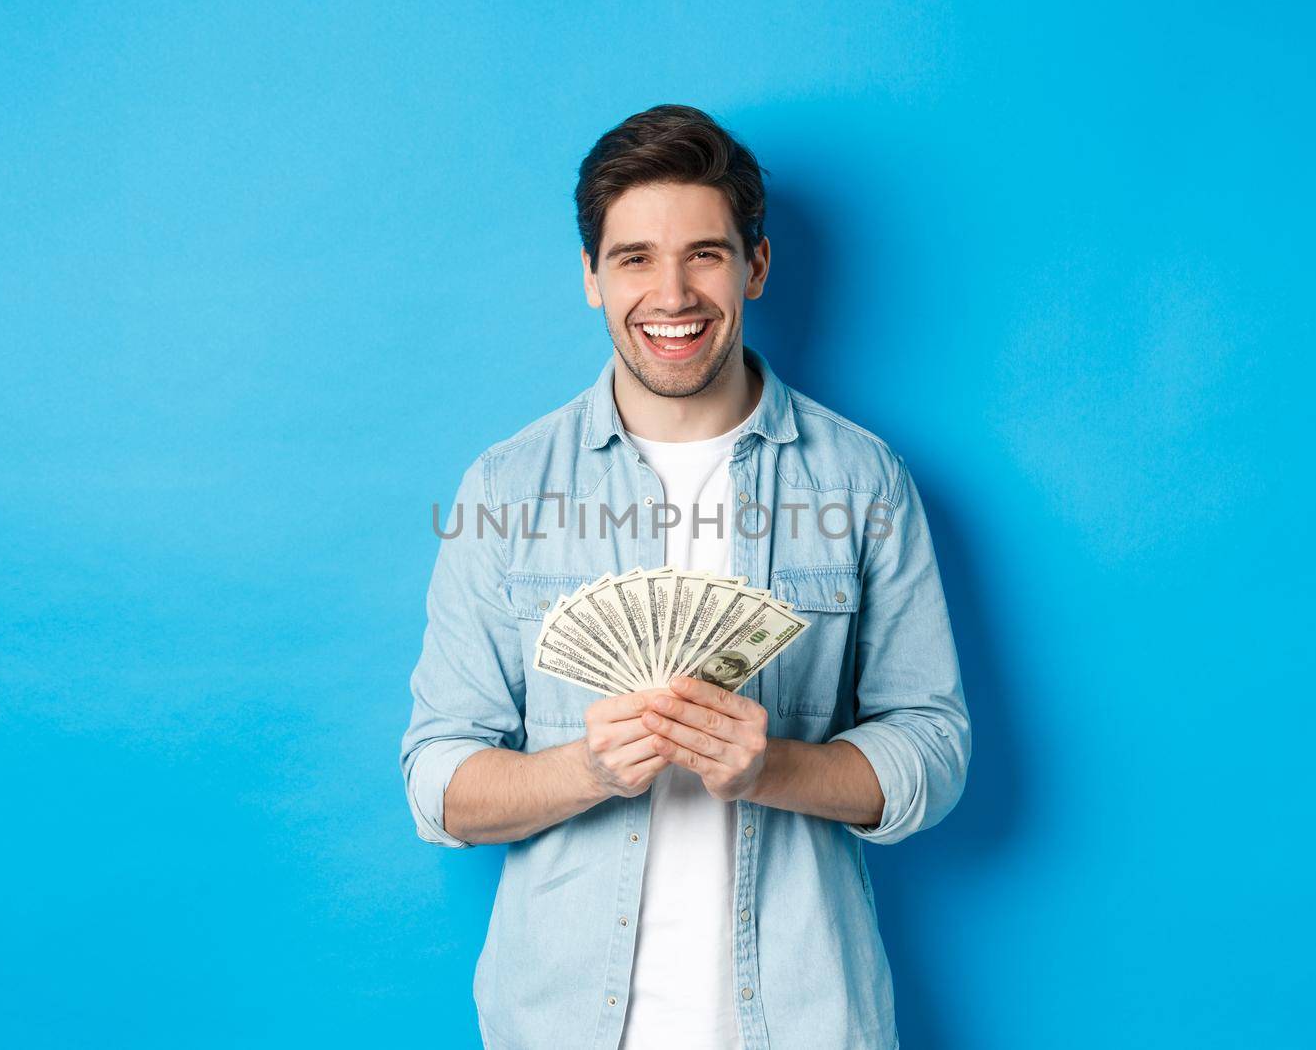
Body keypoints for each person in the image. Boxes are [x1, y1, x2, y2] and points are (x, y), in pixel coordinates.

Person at [400, 103, 971, 1050]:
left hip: (804, 1020)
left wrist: (774, 764)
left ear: (755, 266)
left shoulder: (863, 480)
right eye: (633, 258)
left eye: (704, 253)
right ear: (590, 275)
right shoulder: (505, 488)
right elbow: (437, 779)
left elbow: (935, 750)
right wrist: (584, 770)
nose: (672, 294)